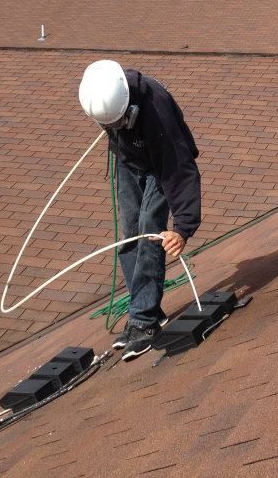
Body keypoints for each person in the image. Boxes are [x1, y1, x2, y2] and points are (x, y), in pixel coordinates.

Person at [78, 59, 202, 361]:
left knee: (148, 228)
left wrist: (183, 228)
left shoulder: (156, 110)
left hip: (161, 165)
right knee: (130, 232)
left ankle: (143, 320)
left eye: (118, 123)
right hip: (130, 160)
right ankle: (145, 308)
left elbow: (180, 169)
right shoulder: (102, 92)